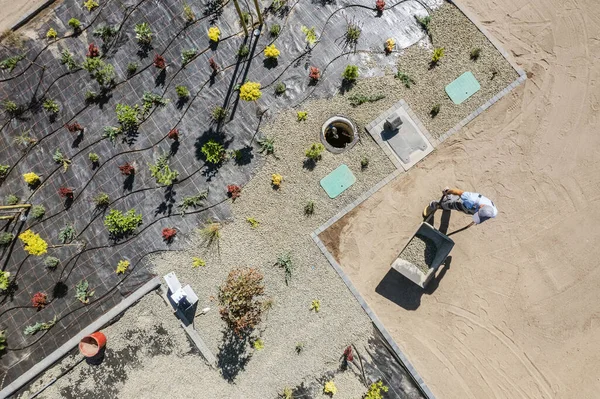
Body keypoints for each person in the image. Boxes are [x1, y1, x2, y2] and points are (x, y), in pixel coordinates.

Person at [429, 187, 498, 225]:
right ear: (481, 206)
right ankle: (437, 203)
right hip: (465, 203)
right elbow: (459, 192)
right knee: (451, 203)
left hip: (469, 209)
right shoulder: (471, 199)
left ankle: (446, 203)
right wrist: (448, 191)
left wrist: (478, 219)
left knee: (459, 208)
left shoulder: (493, 212)